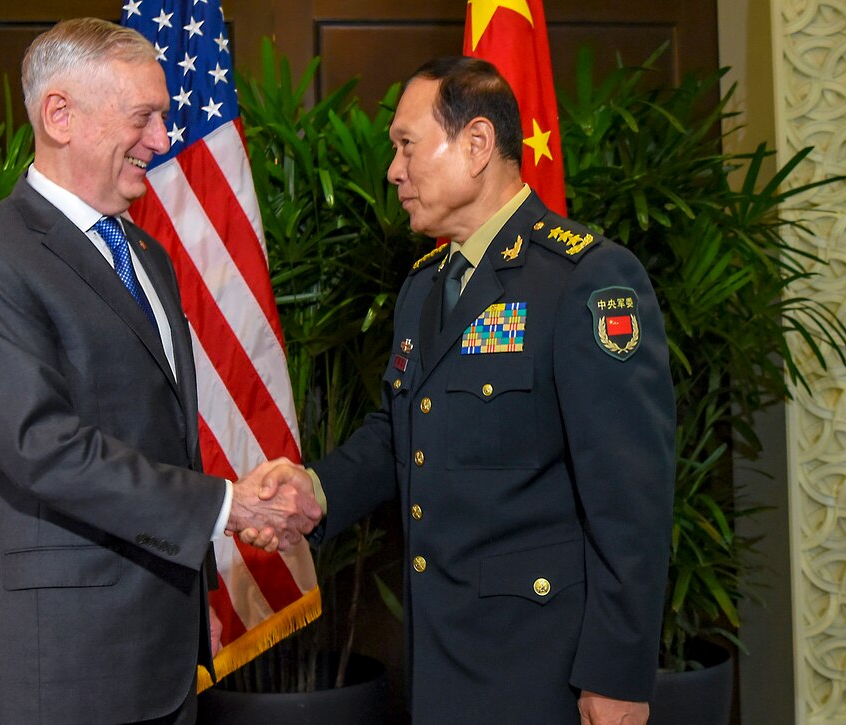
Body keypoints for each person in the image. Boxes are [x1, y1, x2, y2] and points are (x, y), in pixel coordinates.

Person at [244, 56, 676, 724]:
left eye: (406, 145)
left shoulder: (583, 278)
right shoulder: (424, 286)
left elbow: (632, 497)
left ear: (477, 145)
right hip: (441, 658)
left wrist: (617, 675)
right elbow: (399, 428)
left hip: (545, 669)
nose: (393, 170)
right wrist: (317, 490)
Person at [0, 18, 319, 725]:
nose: (164, 140)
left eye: (164, 116)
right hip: (58, 670)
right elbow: (43, 448)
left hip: (161, 659)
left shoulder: (149, 254)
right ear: (59, 114)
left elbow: (156, 428)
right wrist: (226, 505)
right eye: (145, 116)